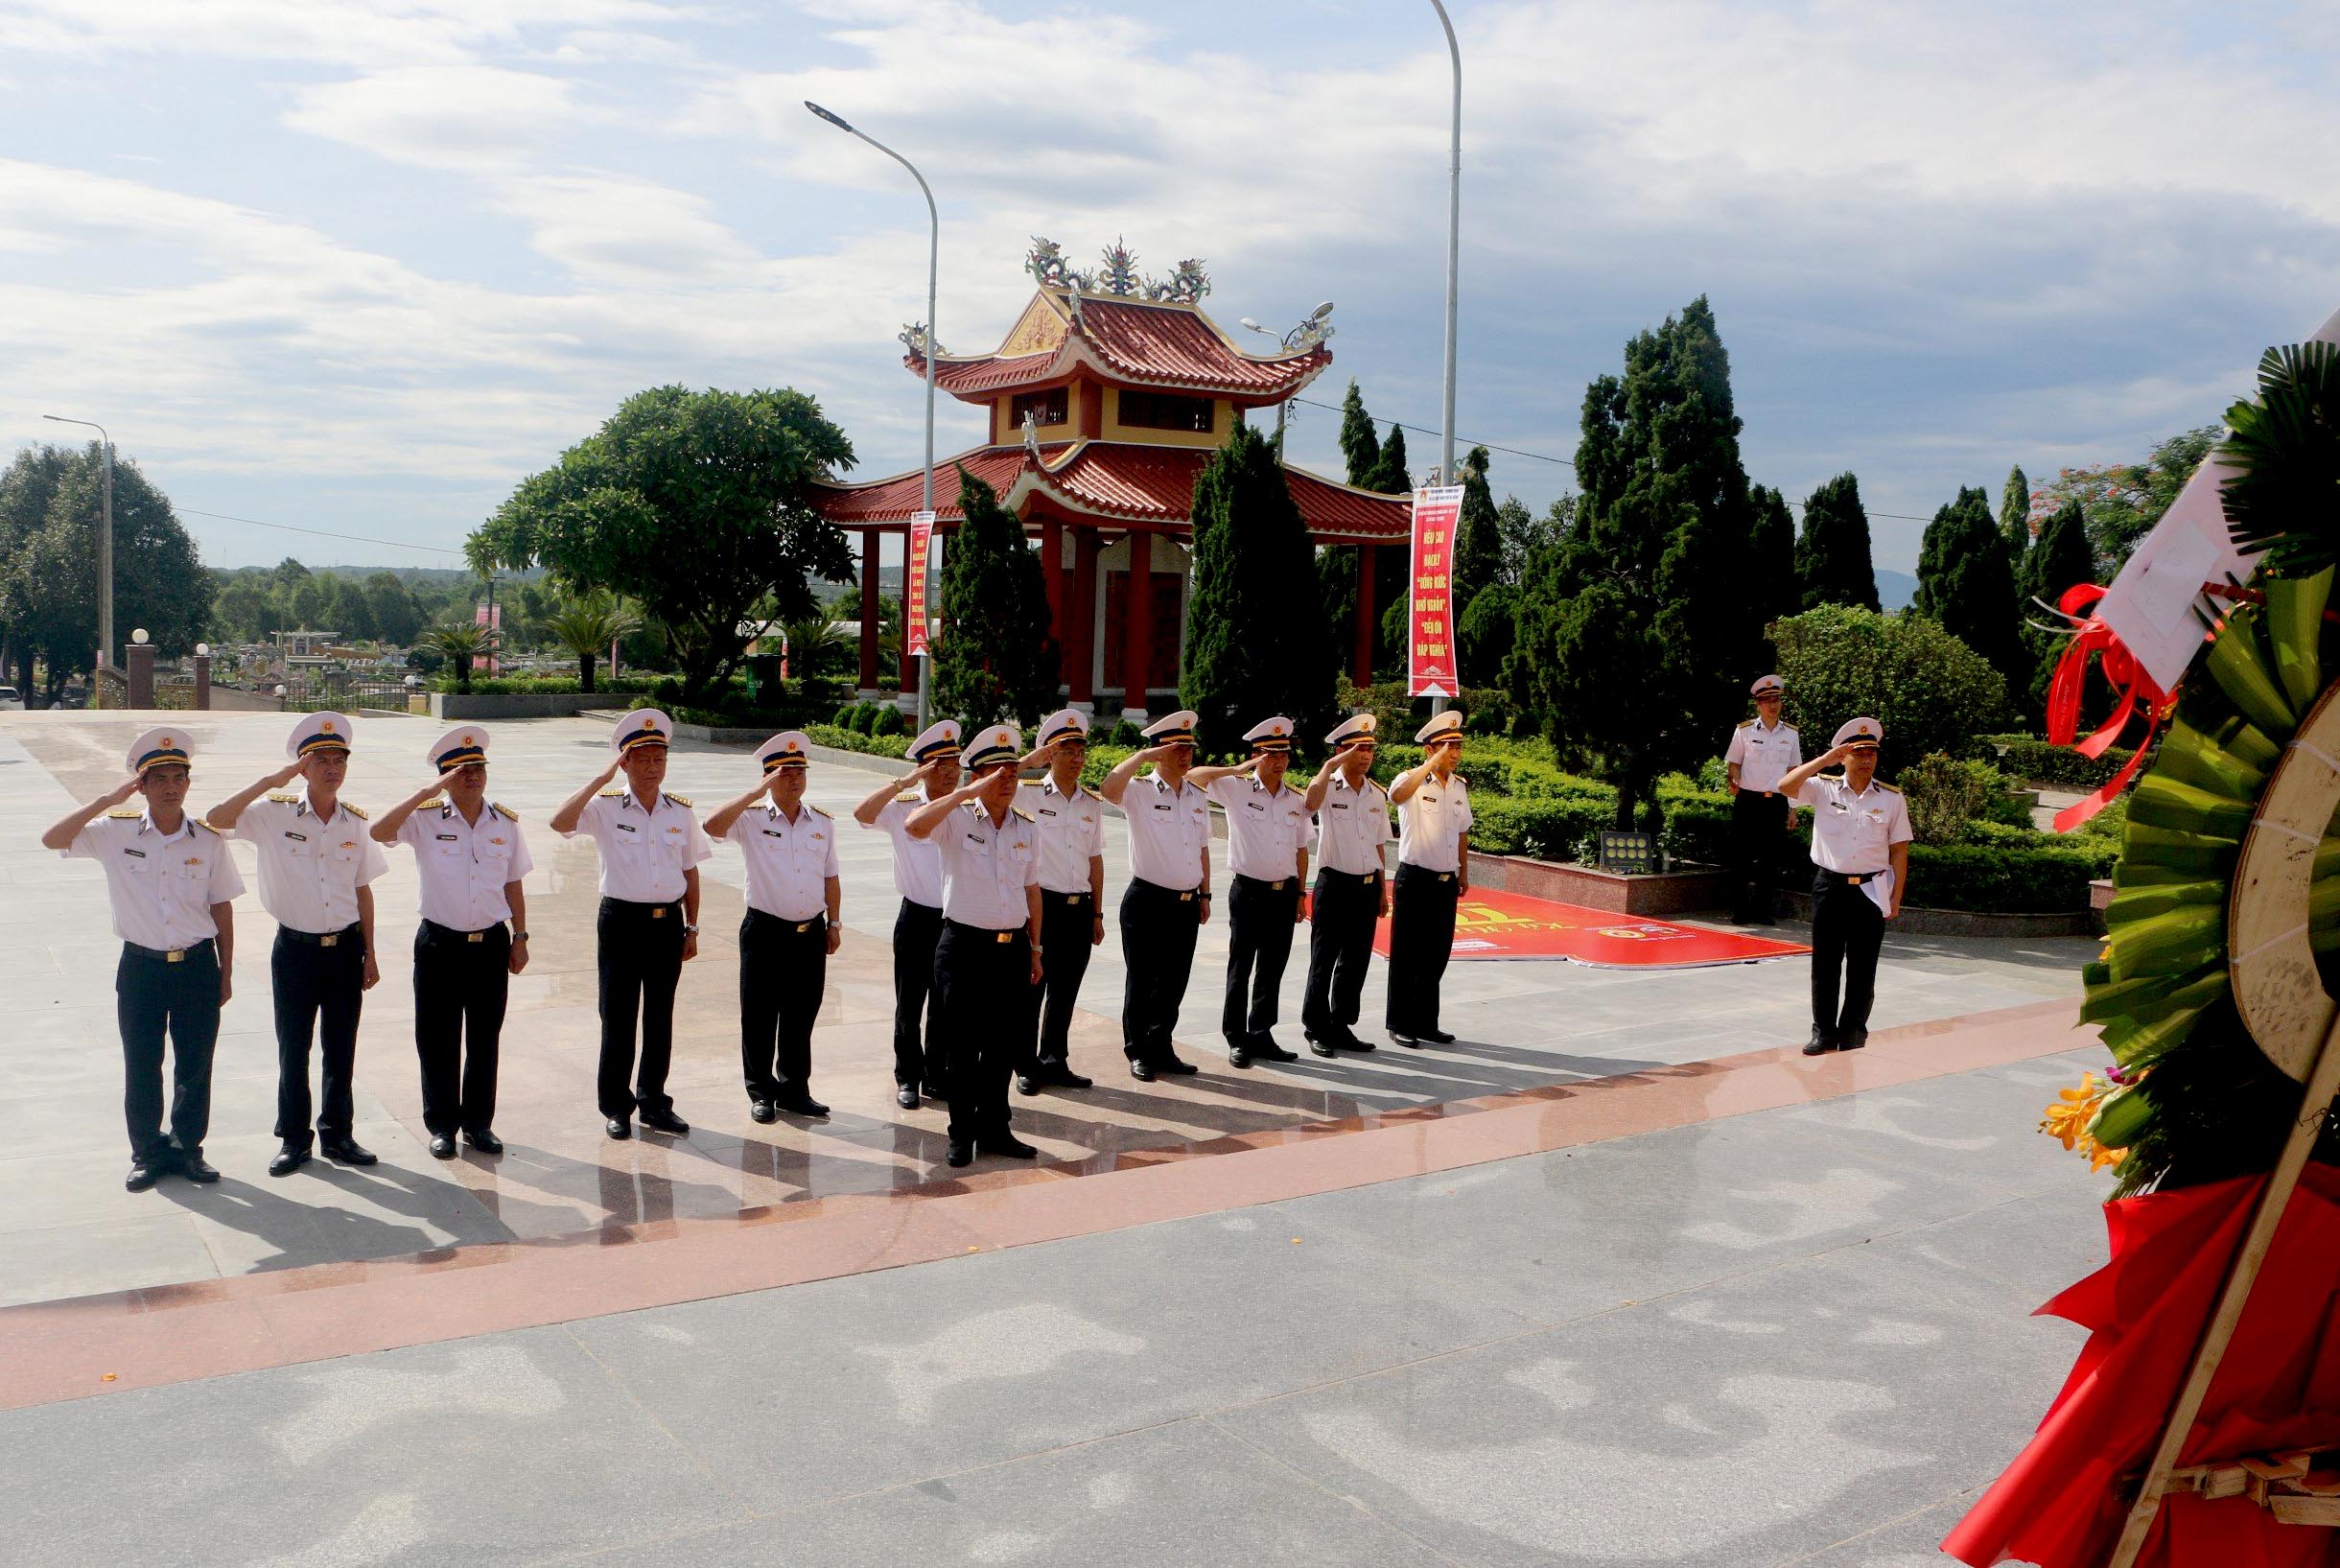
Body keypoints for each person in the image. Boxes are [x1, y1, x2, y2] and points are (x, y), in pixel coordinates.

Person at [43, 727, 245, 1190]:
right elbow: (53, 839)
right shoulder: (115, 832)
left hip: (196, 965)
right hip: (141, 968)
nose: (171, 787)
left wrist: (226, 971)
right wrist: (104, 801)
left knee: (195, 1062)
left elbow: (221, 907)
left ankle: (188, 1148)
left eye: (179, 777)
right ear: (142, 785)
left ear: (188, 784)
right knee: (142, 1061)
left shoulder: (207, 840)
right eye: (159, 779)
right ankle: (147, 1152)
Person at [207, 712, 389, 1178]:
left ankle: (338, 1133)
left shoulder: (355, 822)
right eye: (320, 760)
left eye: (338, 760)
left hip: (346, 948)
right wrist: (273, 779)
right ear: (303, 767)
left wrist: (371, 951)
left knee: (340, 1046)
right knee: (294, 1047)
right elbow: (217, 818)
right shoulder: (273, 814)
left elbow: (363, 889)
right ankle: (293, 1138)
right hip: (296, 950)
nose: (332, 768)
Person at [370, 726, 533, 1158]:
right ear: (445, 776)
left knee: (484, 1038)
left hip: (491, 945)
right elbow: (378, 831)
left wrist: (520, 936)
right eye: (462, 770)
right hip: (440, 945)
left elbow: (513, 882)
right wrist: (428, 791)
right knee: (438, 1038)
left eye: (478, 767)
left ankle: (479, 1124)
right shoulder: (424, 819)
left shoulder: (505, 823)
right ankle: (441, 1125)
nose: (473, 776)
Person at [550, 708, 709, 1140]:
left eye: (659, 758)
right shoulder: (605, 807)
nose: (652, 767)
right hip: (621, 921)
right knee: (618, 1016)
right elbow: (560, 822)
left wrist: (692, 927)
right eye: (642, 759)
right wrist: (601, 780)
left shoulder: (679, 811)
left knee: (660, 1016)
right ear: (625, 763)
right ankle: (616, 1106)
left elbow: (691, 870)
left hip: (667, 924)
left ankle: (654, 1101)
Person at [904, 723, 1042, 1167]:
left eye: (1012, 774)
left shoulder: (1026, 826)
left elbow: (1032, 889)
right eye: (995, 774)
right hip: (963, 947)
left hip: (1012, 949)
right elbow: (913, 825)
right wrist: (964, 795)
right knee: (961, 1047)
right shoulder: (956, 820)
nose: (1006, 782)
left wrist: (1036, 948)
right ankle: (961, 1132)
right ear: (976, 777)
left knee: (1004, 1044)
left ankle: (995, 1128)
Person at [706, 731, 840, 1122]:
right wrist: (754, 794)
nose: (795, 779)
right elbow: (711, 827)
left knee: (802, 1014)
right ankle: (761, 1091)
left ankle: (795, 1089)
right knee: (760, 1015)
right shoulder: (750, 819)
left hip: (809, 932)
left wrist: (835, 922)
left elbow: (830, 876)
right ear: (768, 777)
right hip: (765, 931)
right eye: (784, 773)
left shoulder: (821, 822)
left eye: (800, 771)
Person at [1777, 716, 1912, 1055]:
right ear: (1844, 756)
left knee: (1863, 966)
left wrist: (1896, 896)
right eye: (1858, 753)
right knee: (1825, 963)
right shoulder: (1822, 788)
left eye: (1871, 753)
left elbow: (1899, 850)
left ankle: (1853, 1030)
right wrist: (1824, 760)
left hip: (1871, 888)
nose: (1866, 759)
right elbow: (1785, 786)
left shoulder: (1892, 798)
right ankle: (1823, 1031)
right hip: (1830, 886)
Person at [1187, 716, 1310, 1067]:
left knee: (1273, 966)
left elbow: (1301, 849)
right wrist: (1239, 768)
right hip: (1249, 891)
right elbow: (1193, 777)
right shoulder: (1237, 788)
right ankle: (1236, 1036)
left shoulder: (1295, 799)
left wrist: (1301, 893)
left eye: (1284, 755)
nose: (1280, 762)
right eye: (1272, 755)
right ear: (1257, 756)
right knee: (1241, 966)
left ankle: (1261, 1032)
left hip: (1284, 893)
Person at [1100, 710, 1211, 1082]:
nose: (1185, 755)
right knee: (1143, 979)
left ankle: (1162, 1044)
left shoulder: (1195, 795)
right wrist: (1142, 758)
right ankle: (1139, 1050)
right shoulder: (1141, 791)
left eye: (1188, 749)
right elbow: (1108, 789)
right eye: (1177, 749)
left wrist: (1205, 893)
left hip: (1186, 902)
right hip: (1147, 901)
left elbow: (1202, 847)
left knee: (1174, 978)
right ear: (1159, 752)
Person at [854, 720, 960, 1111]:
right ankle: (908, 1077)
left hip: (956, 922)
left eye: (954, 763)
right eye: (940, 765)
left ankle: (937, 1075)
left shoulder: (965, 806)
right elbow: (862, 814)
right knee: (910, 1002)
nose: (950, 772)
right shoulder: (902, 808)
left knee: (945, 1005)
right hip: (917, 918)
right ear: (922, 768)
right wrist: (903, 783)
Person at [1016, 709, 1101, 1095]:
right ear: (1051, 754)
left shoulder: (1090, 803)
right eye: (1067, 751)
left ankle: (1055, 1059)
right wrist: (1029, 762)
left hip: (1078, 906)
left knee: (1066, 990)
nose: (1077, 759)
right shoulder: (1028, 793)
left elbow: (1094, 860)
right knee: (1032, 989)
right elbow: (988, 781)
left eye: (1081, 751)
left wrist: (1097, 912)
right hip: (1041, 906)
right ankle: (1025, 1064)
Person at [1300, 713, 1392, 1057]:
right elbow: (1309, 803)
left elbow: (1379, 844)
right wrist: (1328, 766)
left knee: (1356, 960)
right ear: (1341, 752)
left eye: (1370, 749)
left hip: (1366, 886)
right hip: (1334, 885)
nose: (1366, 755)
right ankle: (1316, 1026)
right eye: (1358, 748)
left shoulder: (1375, 795)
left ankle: (1341, 1024)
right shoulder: (1327, 787)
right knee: (1323, 959)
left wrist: (1382, 890)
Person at [1387, 710, 1472, 1047]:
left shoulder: (1459, 786)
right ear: (1429, 749)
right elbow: (1396, 796)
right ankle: (1400, 1022)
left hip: (1445, 880)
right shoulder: (1410, 781)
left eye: (1457, 747)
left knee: (1437, 952)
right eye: (1446, 746)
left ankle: (1425, 1021)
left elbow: (1462, 831)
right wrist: (1428, 766)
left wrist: (1463, 871)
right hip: (1415, 878)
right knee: (1407, 953)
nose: (1454, 753)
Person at [1723, 674, 1803, 924]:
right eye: (1767, 700)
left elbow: (1794, 773)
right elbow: (1734, 763)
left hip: (1777, 802)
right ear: (1758, 704)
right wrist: (1734, 779)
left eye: (1776, 700)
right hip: (1748, 800)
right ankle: (1739, 909)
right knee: (1741, 857)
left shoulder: (1790, 734)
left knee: (1770, 859)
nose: (1772, 705)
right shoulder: (1744, 730)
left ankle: (1762, 911)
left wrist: (1793, 809)